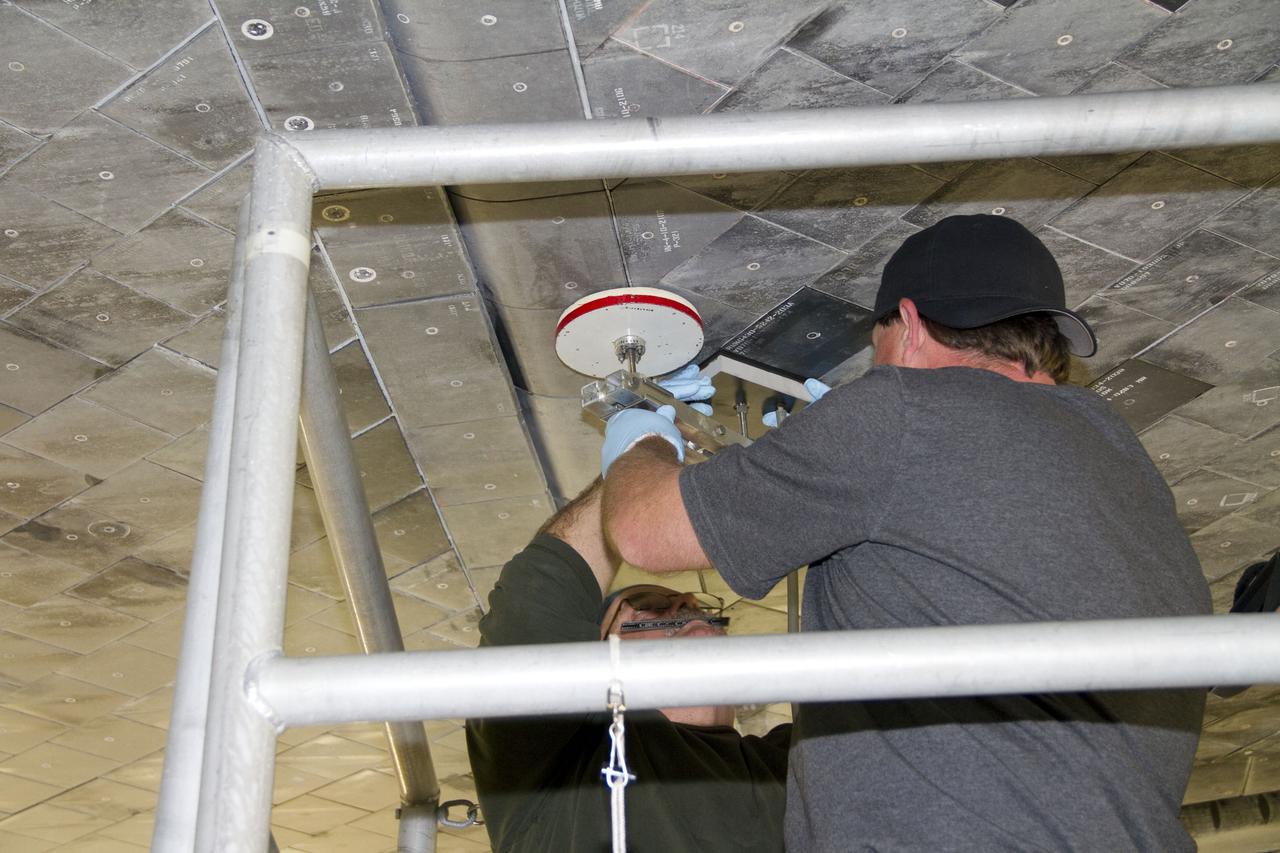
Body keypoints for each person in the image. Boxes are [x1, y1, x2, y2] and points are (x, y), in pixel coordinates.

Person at [598, 214, 1212, 852]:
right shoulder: (1118, 451)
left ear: (911, 323)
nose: (877, 369)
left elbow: (647, 531)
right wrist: (833, 465)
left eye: (879, 347)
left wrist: (638, 426)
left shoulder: (898, 415)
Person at [464, 476, 791, 853]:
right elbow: (537, 603)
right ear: (603, 657)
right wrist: (635, 468)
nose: (686, 604)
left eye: (695, 606)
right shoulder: (562, 770)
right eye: (652, 604)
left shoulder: (790, 763)